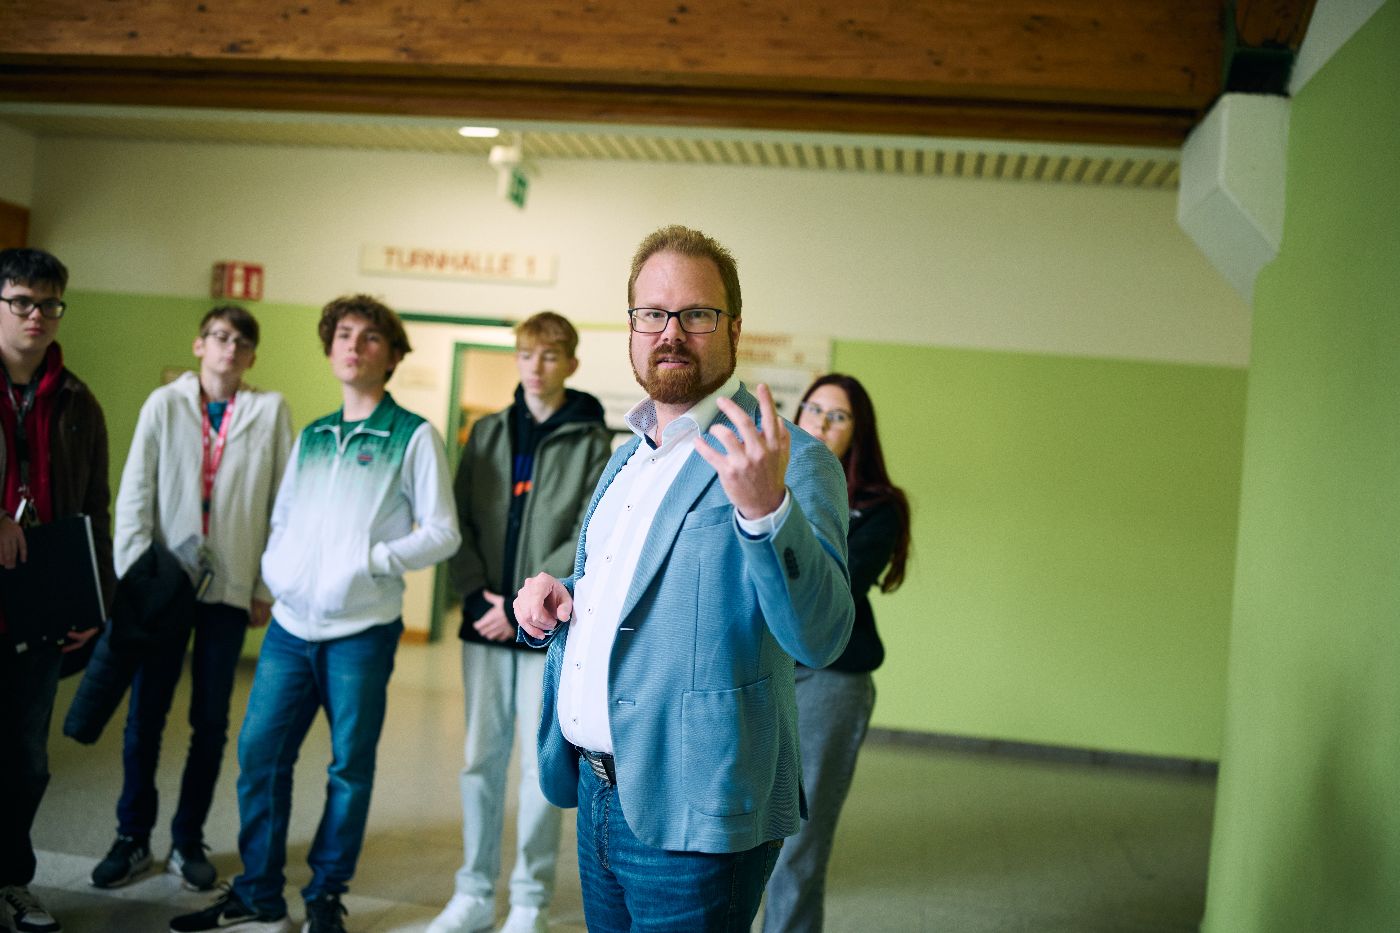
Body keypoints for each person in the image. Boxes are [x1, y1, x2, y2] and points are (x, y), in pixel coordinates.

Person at [512, 225, 855, 932]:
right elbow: (639, 592)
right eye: (652, 314)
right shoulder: (627, 457)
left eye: (696, 314)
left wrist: (767, 511)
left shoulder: (790, 459)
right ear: (632, 327)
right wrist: (561, 595)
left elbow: (822, 635)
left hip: (700, 809)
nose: (671, 332)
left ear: (734, 328)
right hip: (600, 792)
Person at [170, 295, 460, 933]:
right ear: (330, 349)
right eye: (344, 334)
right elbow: (283, 520)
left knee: (348, 767)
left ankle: (326, 893)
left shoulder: (413, 436)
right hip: (291, 627)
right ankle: (258, 892)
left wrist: (372, 559)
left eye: (370, 337)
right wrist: (278, 572)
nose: (354, 345)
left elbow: (443, 532)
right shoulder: (314, 435)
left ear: (392, 355)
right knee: (259, 753)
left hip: (361, 632)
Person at [89, 306, 293, 892]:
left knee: (210, 719)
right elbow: (135, 494)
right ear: (200, 345)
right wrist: (135, 581)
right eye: (220, 337)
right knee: (145, 716)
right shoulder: (164, 404)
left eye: (242, 341)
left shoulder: (270, 411)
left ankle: (187, 839)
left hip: (229, 587)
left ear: (252, 356)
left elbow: (282, 504)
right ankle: (132, 836)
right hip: (162, 587)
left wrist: (264, 587)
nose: (230, 348)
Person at [428, 312, 611, 933]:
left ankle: (529, 899)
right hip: (483, 620)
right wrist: (479, 596)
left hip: (546, 624)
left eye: (550, 356)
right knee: (479, 760)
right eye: (527, 354)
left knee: (539, 767)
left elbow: (585, 531)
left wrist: (522, 606)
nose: (537, 366)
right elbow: (457, 519)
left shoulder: (592, 440)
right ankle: (474, 892)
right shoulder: (487, 432)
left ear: (571, 364)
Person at [762, 374, 911, 933]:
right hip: (761, 669)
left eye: (838, 416)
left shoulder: (878, 506)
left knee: (799, 839)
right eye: (814, 409)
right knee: (740, 829)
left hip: (830, 678)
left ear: (857, 431)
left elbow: (834, 587)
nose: (821, 423)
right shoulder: (765, 482)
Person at [0, 248, 115, 933]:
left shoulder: (78, 402)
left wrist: (91, 602)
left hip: (40, 611)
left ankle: (11, 881)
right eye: (21, 301)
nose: (36, 315)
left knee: (25, 760)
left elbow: (94, 510)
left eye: (48, 303)